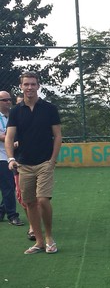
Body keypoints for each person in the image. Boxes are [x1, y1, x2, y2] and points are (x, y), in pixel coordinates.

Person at [5, 71, 62, 254]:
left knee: (43, 200)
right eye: (26, 84)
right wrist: (11, 158)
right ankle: (38, 242)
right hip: (24, 165)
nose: (29, 87)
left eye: (33, 84)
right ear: (21, 87)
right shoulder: (15, 112)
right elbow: (9, 137)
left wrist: (52, 160)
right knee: (29, 203)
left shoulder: (49, 109)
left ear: (38, 86)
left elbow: (58, 135)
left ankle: (49, 237)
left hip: (45, 162)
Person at [1, 90, 22, 226]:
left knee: (10, 185)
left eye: (10, 99)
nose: (9, 102)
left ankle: (2, 211)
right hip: (2, 156)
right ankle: (12, 216)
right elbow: (3, 136)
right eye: (5, 100)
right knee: (9, 186)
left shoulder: (13, 115)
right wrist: (13, 141)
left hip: (14, 155)